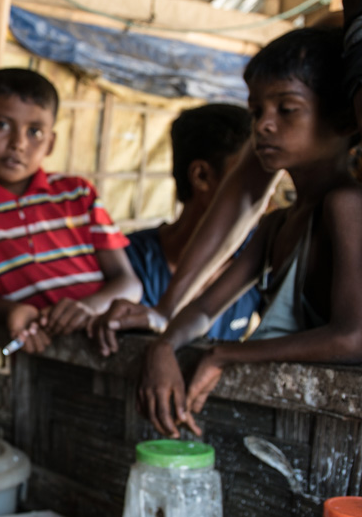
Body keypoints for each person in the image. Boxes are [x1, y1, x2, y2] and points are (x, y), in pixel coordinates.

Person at [136, 26, 362, 439]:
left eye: (287, 109)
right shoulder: (276, 225)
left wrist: (226, 354)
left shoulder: (347, 206)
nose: (263, 126)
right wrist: (164, 344)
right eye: (257, 112)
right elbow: (206, 309)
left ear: (345, 119)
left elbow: (353, 338)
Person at [0, 67, 141, 354]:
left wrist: (87, 308)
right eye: (1, 125)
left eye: (35, 132)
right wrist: (12, 311)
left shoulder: (77, 193)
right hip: (40, 346)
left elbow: (129, 282)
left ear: (51, 142)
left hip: (109, 339)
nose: (18, 143)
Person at [93, 104, 261, 356]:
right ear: (201, 176)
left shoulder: (257, 259)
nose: (263, 198)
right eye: (245, 179)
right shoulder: (127, 262)